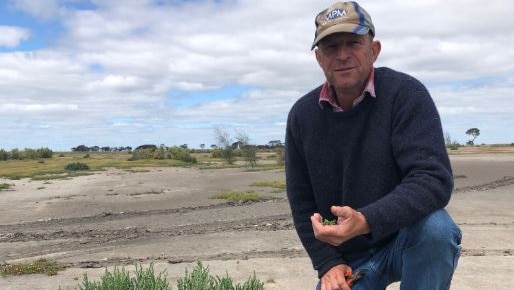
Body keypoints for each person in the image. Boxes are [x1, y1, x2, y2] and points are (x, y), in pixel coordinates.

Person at [284, 2, 462, 290]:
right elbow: (301, 201)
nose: (342, 55)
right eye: (331, 47)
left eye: (353, 43)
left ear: (374, 49)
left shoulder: (405, 95)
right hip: (349, 260)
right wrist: (327, 263)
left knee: (437, 229)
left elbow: (433, 179)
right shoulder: (302, 116)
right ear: (319, 58)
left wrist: (366, 219)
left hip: (405, 239)